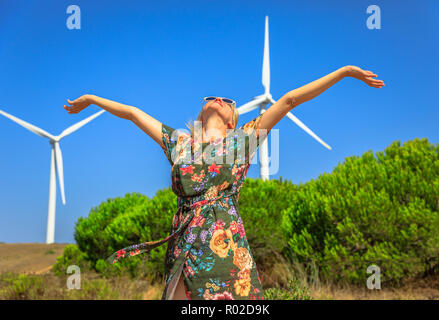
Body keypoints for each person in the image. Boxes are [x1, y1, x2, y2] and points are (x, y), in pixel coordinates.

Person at [63, 65, 385, 300]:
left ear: (233, 119)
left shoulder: (242, 142)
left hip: (225, 249)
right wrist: (92, 99)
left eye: (226, 99)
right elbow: (133, 113)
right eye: (211, 97)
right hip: (185, 244)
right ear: (201, 112)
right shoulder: (179, 143)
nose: (218, 98)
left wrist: (343, 73)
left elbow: (288, 101)